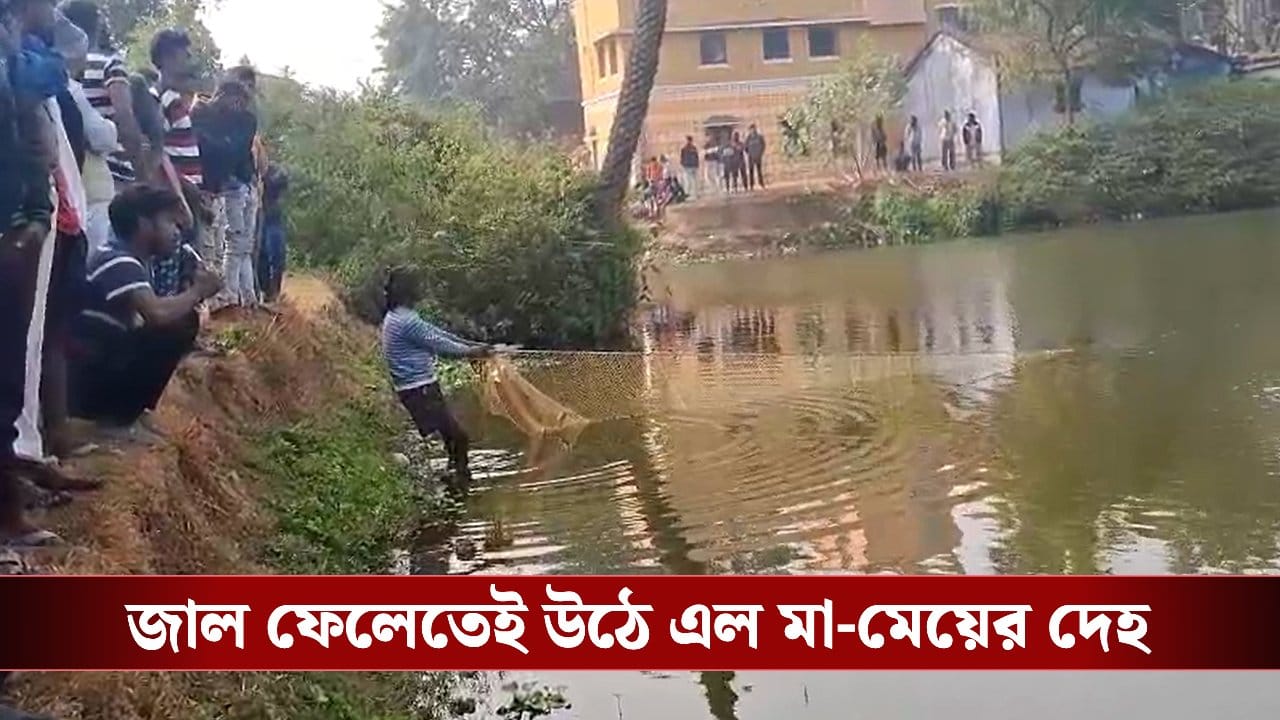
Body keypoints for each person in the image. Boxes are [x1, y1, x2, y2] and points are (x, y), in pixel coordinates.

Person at [67, 185, 221, 436]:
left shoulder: (133, 262)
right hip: (84, 380)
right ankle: (116, 419)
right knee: (174, 326)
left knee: (179, 321)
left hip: (91, 373)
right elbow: (156, 314)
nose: (176, 233)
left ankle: (130, 415)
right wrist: (197, 292)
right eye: (171, 223)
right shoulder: (118, 260)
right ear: (143, 223)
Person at [380, 267, 491, 485]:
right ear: (408, 291)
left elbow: (436, 334)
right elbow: (440, 344)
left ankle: (455, 479)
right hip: (419, 389)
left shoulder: (399, 316)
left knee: (452, 437)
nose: (423, 289)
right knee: (459, 437)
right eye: (418, 286)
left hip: (418, 387)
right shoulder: (407, 322)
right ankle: (459, 481)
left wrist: (471, 345)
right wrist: (471, 352)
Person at [193, 78, 257, 308]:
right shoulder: (202, 114)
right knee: (209, 243)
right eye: (236, 101)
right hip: (203, 186)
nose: (238, 107)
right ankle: (211, 299)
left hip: (219, 186)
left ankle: (226, 295)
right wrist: (221, 145)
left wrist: (218, 145)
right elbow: (216, 148)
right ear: (223, 95)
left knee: (224, 242)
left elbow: (231, 150)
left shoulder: (237, 121)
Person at [150, 28, 202, 299]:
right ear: (168, 57)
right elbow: (158, 155)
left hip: (184, 198)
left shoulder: (173, 99)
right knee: (173, 273)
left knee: (185, 268)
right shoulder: (161, 100)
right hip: (176, 199)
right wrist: (185, 191)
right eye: (185, 53)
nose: (189, 58)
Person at [255, 162, 288, 303]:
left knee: (273, 254)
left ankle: (271, 291)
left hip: (269, 215)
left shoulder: (271, 170)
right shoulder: (256, 170)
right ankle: (268, 290)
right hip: (263, 216)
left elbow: (281, 179)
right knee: (266, 254)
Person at [744, 124, 766, 190]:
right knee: (751, 171)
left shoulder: (759, 137)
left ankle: (761, 184)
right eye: (751, 129)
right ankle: (751, 185)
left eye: (753, 129)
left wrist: (760, 153)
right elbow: (746, 147)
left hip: (758, 156)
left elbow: (763, 145)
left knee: (759, 171)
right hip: (751, 157)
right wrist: (749, 154)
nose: (752, 130)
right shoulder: (748, 138)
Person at [679, 136, 699, 200]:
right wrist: (697, 165)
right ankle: (694, 194)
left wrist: (682, 164)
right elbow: (696, 157)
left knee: (688, 181)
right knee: (693, 181)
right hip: (692, 166)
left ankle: (689, 194)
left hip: (687, 166)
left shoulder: (684, 149)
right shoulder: (694, 148)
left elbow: (682, 158)